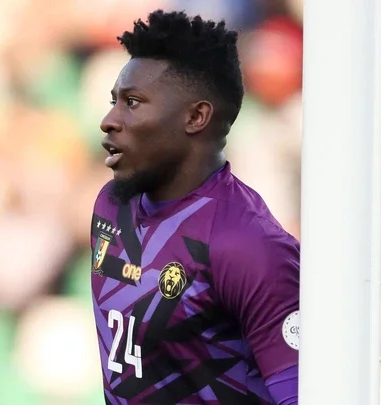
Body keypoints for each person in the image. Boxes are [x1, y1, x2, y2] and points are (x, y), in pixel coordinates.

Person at [90, 10, 299, 405]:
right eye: (114, 101)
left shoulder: (247, 245)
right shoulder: (111, 207)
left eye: (132, 102)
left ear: (196, 117)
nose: (108, 120)